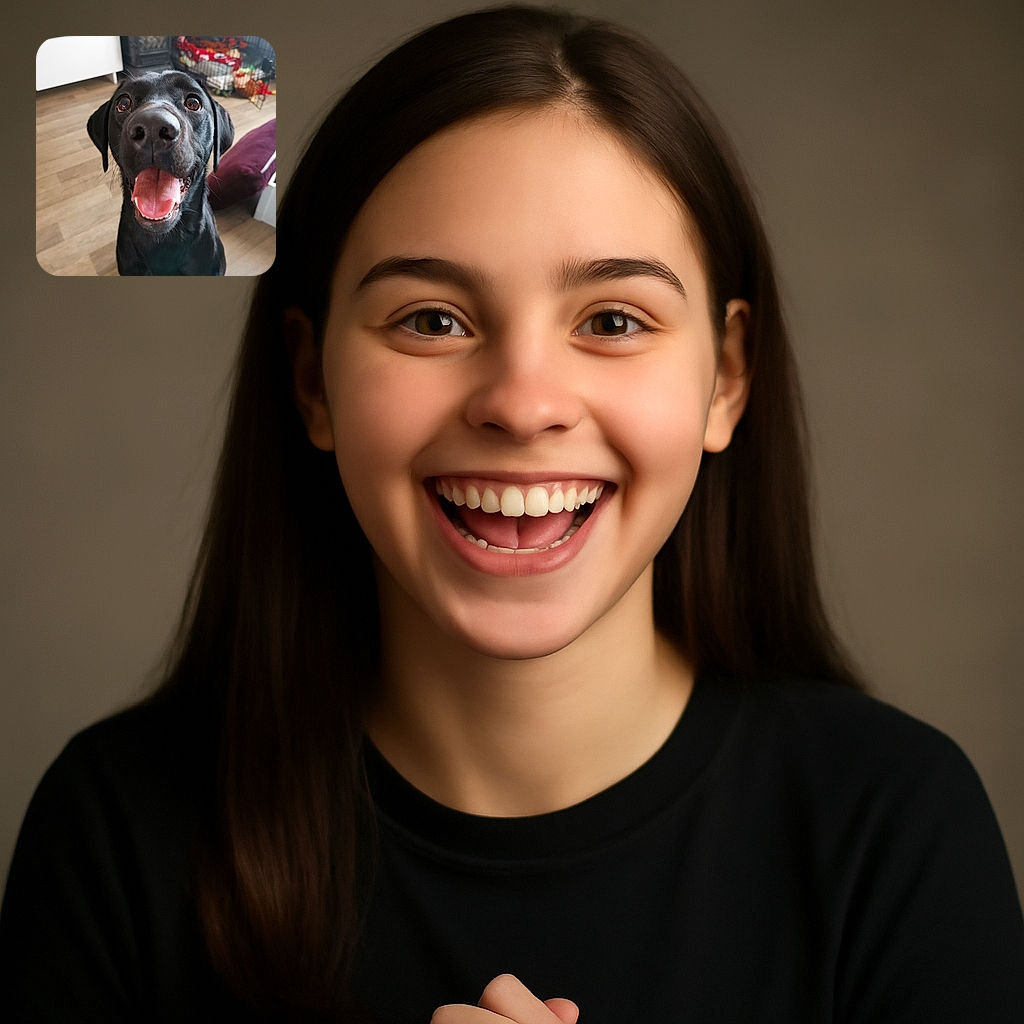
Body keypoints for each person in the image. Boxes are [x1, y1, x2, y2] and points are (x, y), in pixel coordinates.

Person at [2, 6, 1021, 1022]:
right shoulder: (117, 833)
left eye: (613, 320)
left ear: (726, 377)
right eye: (432, 319)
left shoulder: (894, 827)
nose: (524, 403)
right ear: (312, 381)